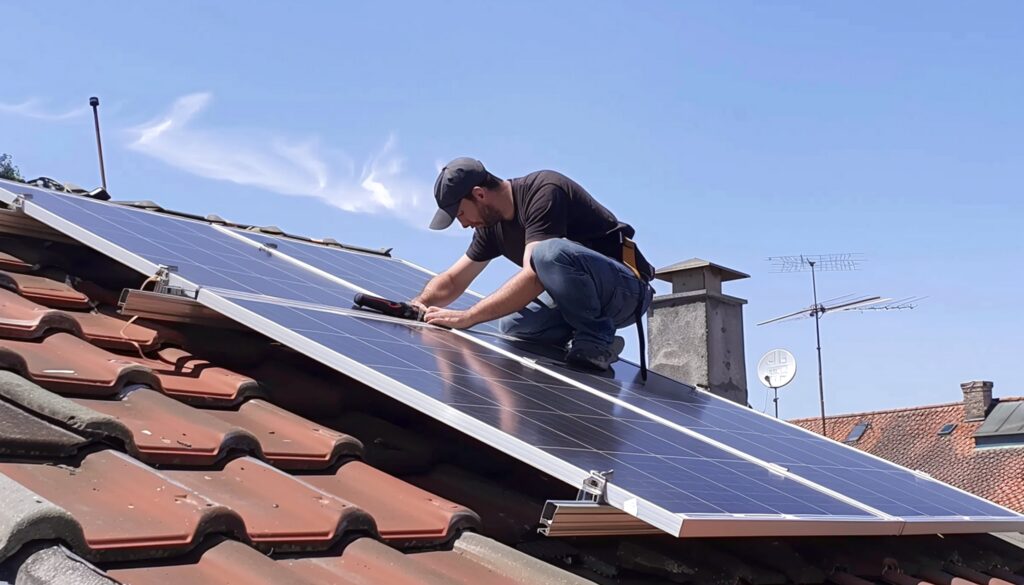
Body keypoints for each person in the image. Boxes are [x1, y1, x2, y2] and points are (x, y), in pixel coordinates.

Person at [413, 157, 655, 372]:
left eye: (461, 214)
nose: (463, 224)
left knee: (547, 253)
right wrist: (419, 304)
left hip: (625, 291)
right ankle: (586, 344)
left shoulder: (544, 191)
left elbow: (533, 276)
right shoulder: (490, 227)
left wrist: (468, 316)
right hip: (581, 299)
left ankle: (597, 339)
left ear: (479, 194)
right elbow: (454, 280)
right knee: (513, 327)